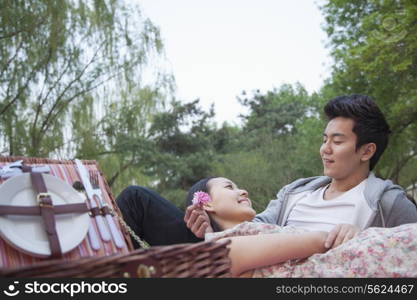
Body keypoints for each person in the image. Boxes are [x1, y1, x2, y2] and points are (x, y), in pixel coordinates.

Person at [116, 94, 417, 249]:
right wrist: (210, 227)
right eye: (324, 139)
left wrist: (366, 237)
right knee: (135, 199)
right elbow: (258, 226)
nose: (325, 149)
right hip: (255, 258)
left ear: (366, 151)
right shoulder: (297, 192)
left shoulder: (387, 203)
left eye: (337, 141)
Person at [185, 176, 417, 277]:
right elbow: (319, 241)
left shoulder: (255, 230)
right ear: (208, 203)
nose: (243, 191)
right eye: (229, 187)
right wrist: (345, 233)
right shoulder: (224, 246)